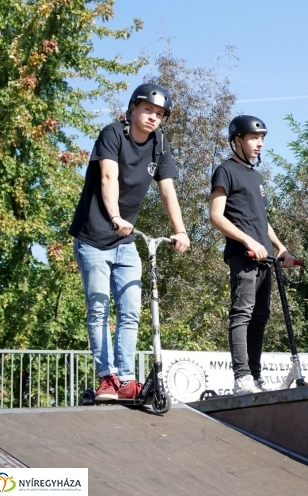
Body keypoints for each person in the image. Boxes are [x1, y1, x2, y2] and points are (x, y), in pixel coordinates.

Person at [70, 83, 191, 401]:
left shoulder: (160, 145)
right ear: (134, 109)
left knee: (131, 310)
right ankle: (106, 378)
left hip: (125, 243)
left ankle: (126, 380)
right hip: (94, 237)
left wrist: (180, 230)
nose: (154, 117)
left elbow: (168, 190)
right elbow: (108, 177)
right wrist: (114, 216)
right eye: (148, 110)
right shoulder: (113, 134)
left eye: (160, 113)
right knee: (99, 309)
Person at [210, 115, 296, 395]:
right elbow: (215, 216)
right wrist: (247, 240)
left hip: (265, 259)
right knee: (242, 315)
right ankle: (242, 378)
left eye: (262, 139)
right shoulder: (225, 170)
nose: (259, 144)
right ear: (237, 140)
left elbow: (261, 220)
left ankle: (255, 377)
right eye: (253, 138)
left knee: (260, 317)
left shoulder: (256, 176)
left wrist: (281, 248)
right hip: (243, 257)